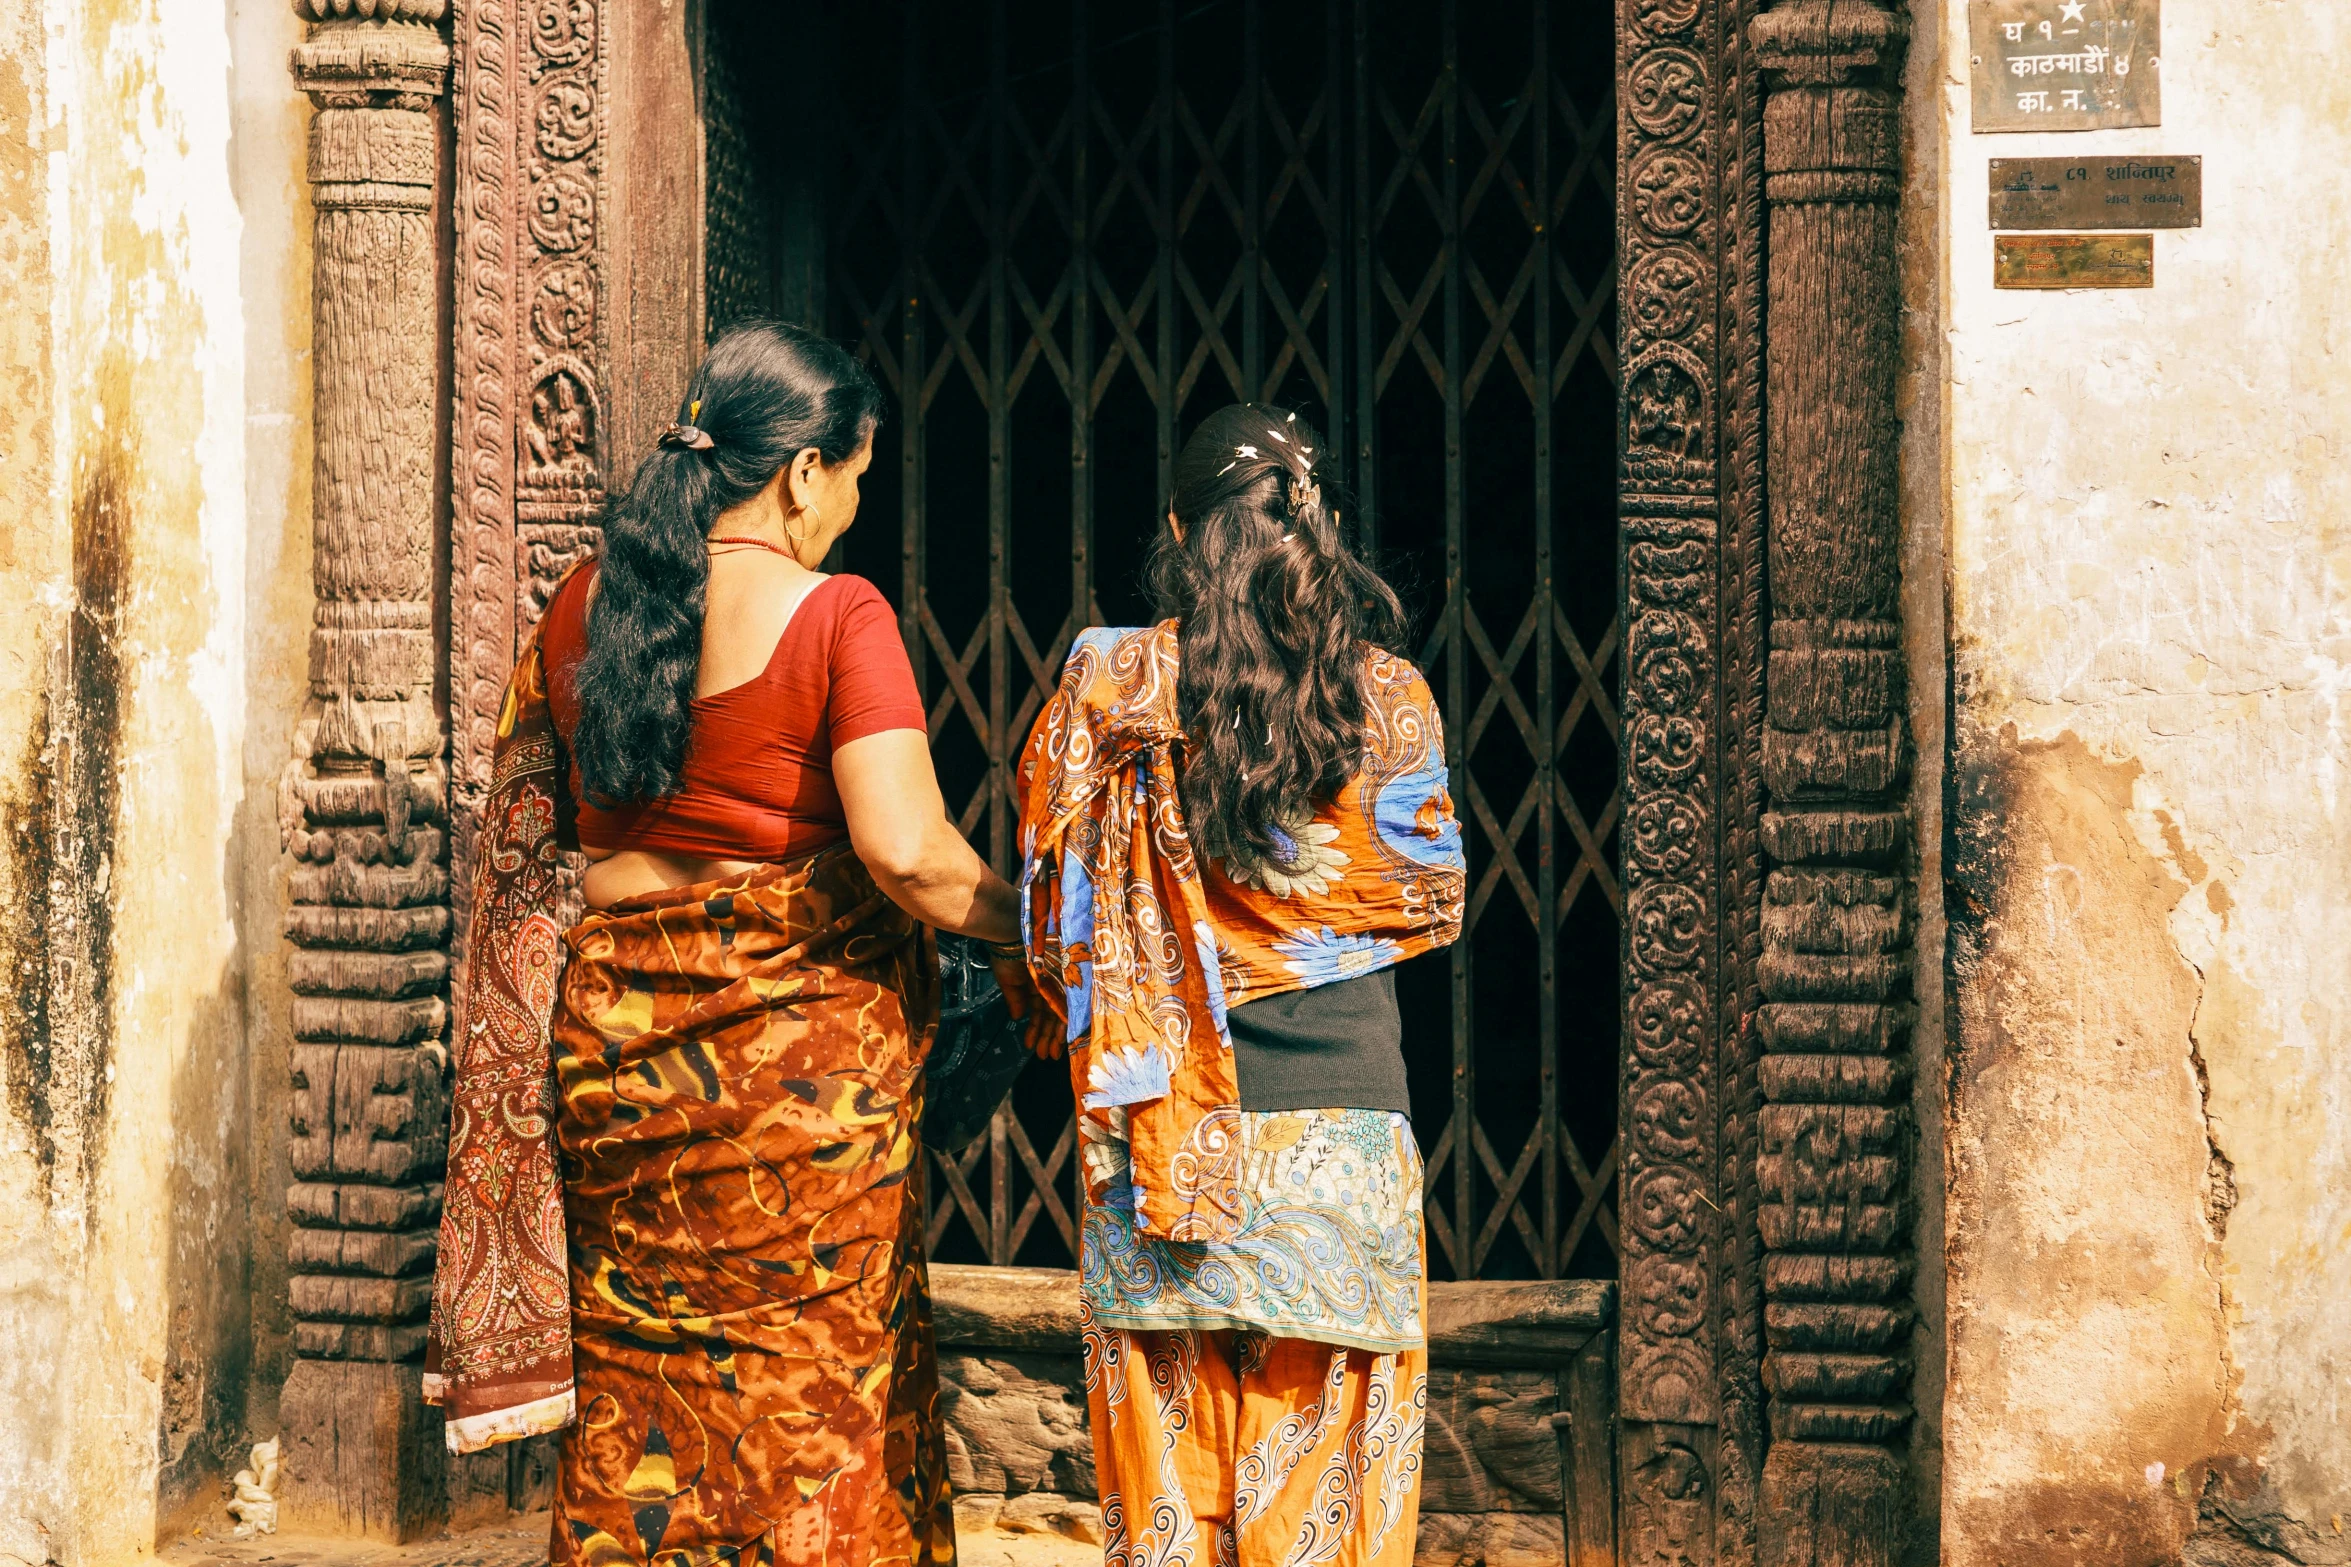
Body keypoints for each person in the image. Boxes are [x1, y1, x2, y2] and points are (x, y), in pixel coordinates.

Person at [426, 319, 1034, 1567]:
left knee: (644, 1393)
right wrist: (1036, 930)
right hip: (792, 1107)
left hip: (617, 1078)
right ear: (802, 471)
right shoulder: (835, 615)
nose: (851, 513)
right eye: (854, 479)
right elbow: (909, 852)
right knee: (808, 1413)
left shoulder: (581, 606)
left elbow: (537, 854)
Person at [1016, 404, 1466, 1567]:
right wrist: (1286, 925)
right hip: (1347, 1145)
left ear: (1176, 530)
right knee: (1325, 1515)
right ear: (1317, 528)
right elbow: (1425, 900)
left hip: (1156, 1145)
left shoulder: (1110, 689)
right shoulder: (1396, 700)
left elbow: (1049, 918)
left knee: (1169, 1514)